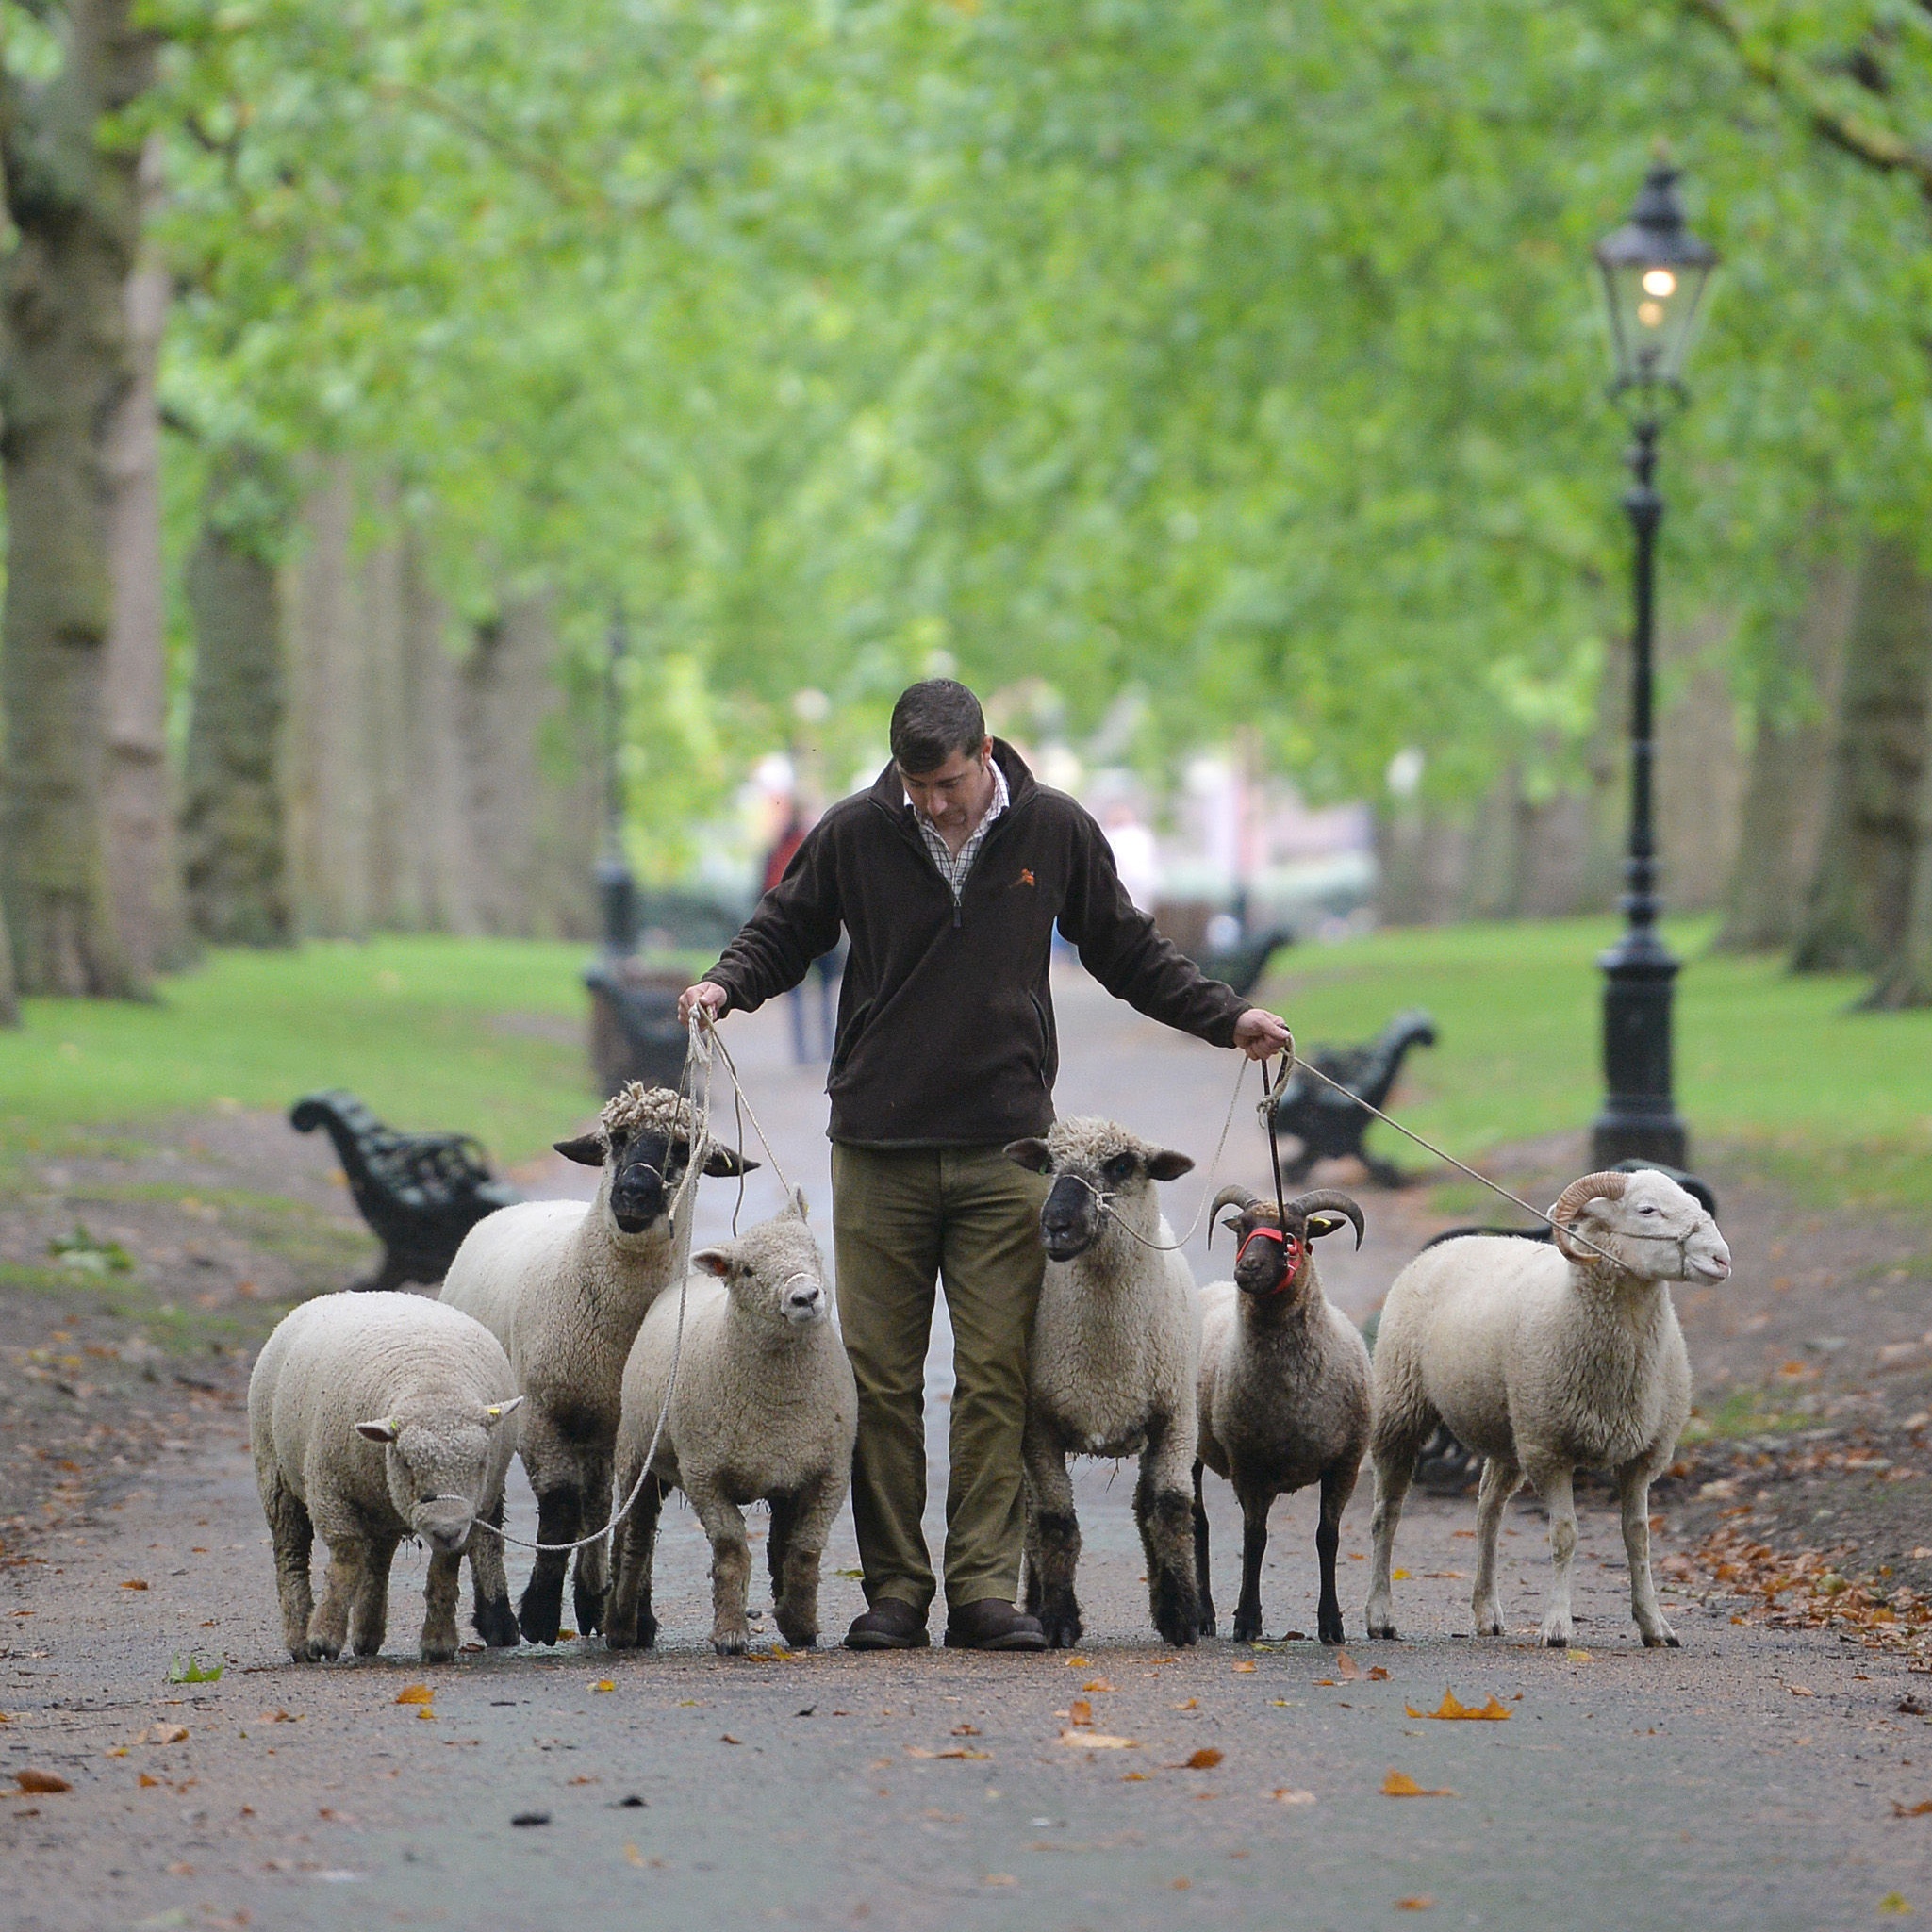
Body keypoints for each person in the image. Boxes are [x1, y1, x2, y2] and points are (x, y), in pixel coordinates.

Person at [680, 680, 1291, 1653]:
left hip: (1007, 1146)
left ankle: (981, 1592)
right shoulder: (853, 832)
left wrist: (1229, 1019)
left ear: (986, 754)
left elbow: (1125, 948)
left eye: (950, 782)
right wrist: (724, 984)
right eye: (917, 785)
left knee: (997, 1375)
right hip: (877, 1143)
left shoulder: (1052, 830)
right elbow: (785, 927)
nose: (934, 803)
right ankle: (893, 1594)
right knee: (880, 1378)